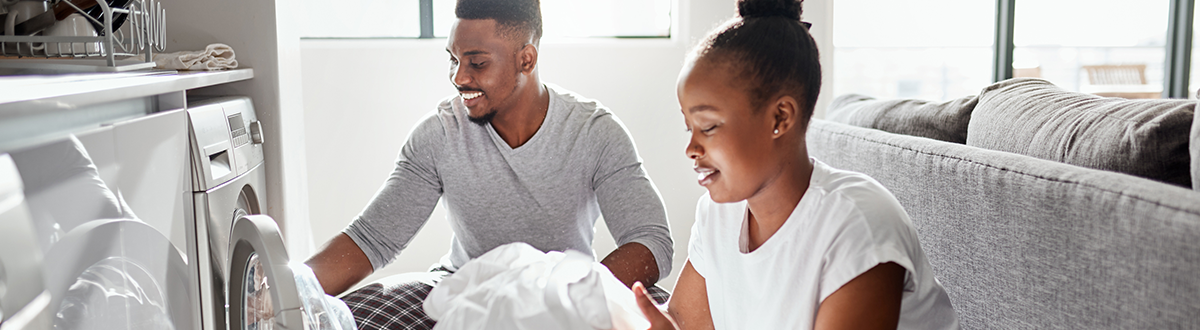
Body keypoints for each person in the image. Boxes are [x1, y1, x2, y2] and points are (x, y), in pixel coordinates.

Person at [303, 0, 675, 329]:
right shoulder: (440, 134)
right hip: (461, 286)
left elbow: (650, 240)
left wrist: (569, 297)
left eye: (477, 63)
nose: (459, 78)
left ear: (525, 59)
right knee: (351, 315)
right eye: (454, 60)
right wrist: (292, 287)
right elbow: (372, 239)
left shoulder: (595, 132)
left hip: (565, 291)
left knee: (665, 312)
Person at [632, 0, 960, 329]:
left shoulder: (857, 225)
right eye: (689, 128)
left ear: (780, 117)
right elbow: (684, 322)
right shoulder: (716, 215)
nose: (691, 148)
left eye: (708, 127)